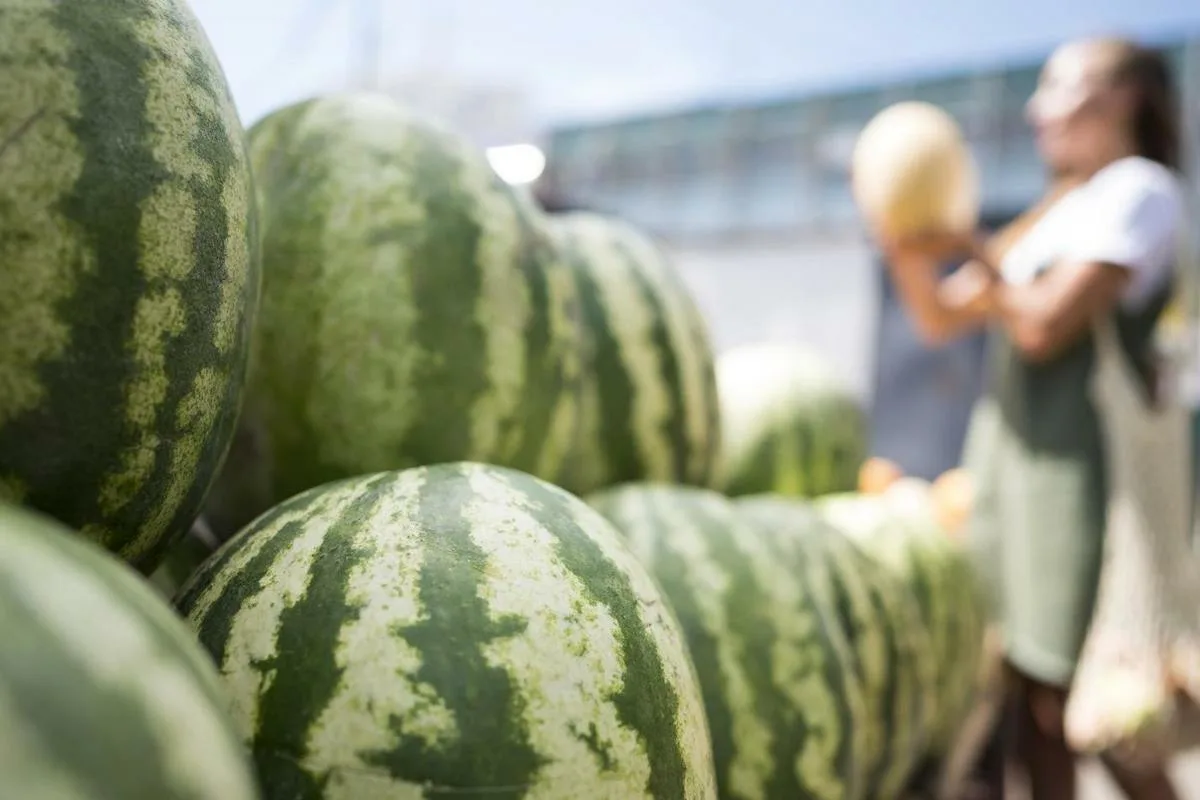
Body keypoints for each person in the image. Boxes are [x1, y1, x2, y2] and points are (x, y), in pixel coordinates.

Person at [880, 36, 1188, 800]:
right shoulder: (1061, 205)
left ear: (1121, 100)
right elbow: (940, 318)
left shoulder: (1139, 190)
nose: (1035, 107)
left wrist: (967, 248)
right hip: (1010, 473)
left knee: (1095, 709)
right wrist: (899, 232)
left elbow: (1045, 327)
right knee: (1030, 703)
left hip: (1076, 480)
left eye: (1059, 87)